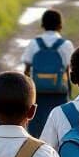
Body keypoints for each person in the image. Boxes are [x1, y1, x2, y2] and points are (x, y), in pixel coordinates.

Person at [22, 8, 74, 137]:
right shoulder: (66, 44)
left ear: (42, 25)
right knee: (58, 127)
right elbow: (69, 70)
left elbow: (27, 69)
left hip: (37, 92)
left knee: (36, 127)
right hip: (58, 92)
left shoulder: (34, 43)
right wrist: (69, 92)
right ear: (60, 26)